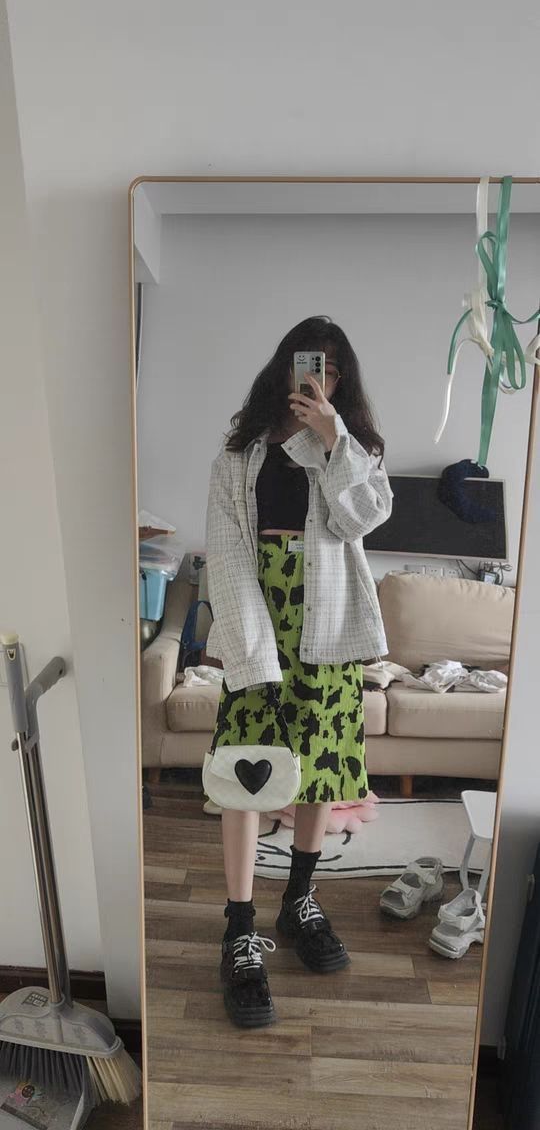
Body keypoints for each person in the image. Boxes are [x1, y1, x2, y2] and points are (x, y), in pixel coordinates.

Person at [204, 315, 393, 1027]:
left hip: (329, 626)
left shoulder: (353, 448)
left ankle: (300, 899)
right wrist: (252, 648)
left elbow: (363, 519)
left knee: (323, 766)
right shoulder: (239, 454)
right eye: (309, 364)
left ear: (342, 382)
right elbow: (226, 552)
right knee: (244, 770)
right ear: (284, 367)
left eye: (332, 371)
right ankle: (238, 927)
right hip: (261, 618)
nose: (318, 379)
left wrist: (334, 440)